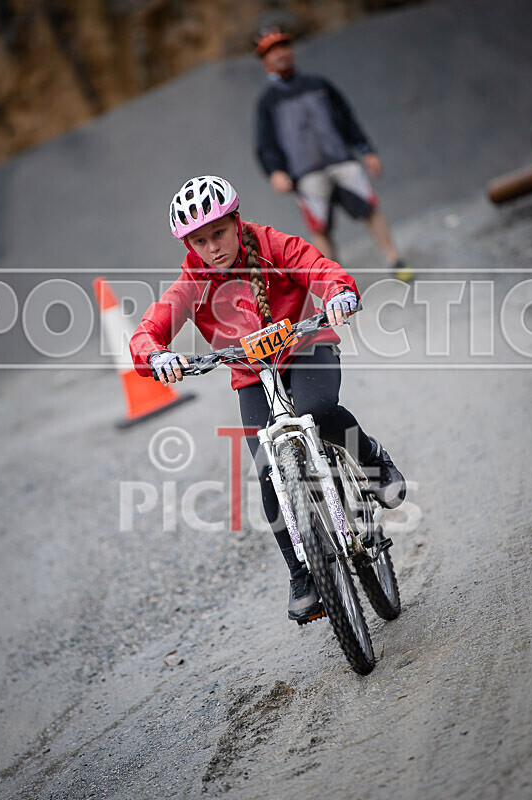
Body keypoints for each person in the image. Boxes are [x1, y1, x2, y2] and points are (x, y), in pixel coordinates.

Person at [130, 175, 406, 624]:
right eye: (199, 241)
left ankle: (372, 460)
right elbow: (150, 328)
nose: (212, 247)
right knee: (268, 470)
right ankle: (302, 572)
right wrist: (156, 356)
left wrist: (337, 292)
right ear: (189, 245)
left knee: (317, 410)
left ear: (236, 223)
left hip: (305, 346)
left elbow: (318, 267)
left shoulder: (273, 245)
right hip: (251, 373)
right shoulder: (191, 281)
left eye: (218, 233)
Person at [254, 27, 412, 280]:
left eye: (283, 47)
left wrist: (366, 150)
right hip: (305, 174)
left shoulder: (319, 85)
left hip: (342, 161)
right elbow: (265, 143)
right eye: (272, 52)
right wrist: (275, 171)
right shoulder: (267, 103)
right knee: (320, 228)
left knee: (370, 209)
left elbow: (347, 118)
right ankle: (337, 282)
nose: (280, 54)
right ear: (264, 62)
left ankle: (395, 260)